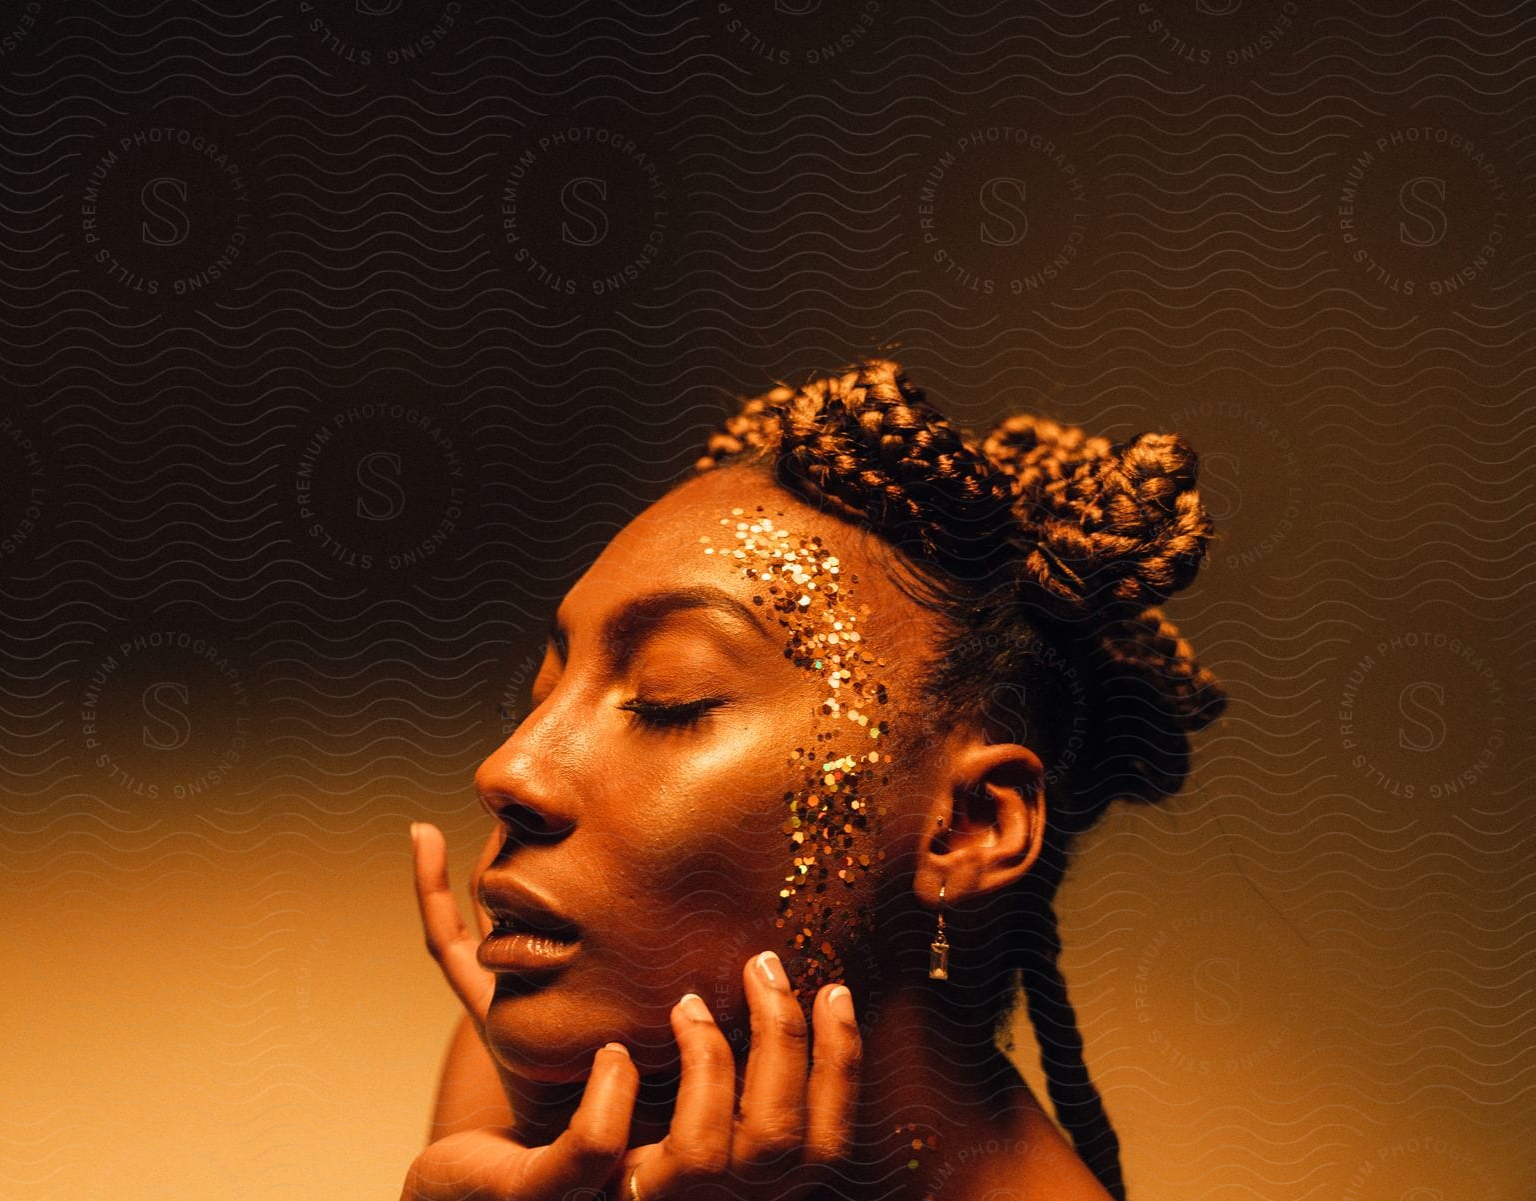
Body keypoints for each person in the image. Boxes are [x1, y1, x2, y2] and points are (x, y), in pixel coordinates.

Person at [402, 357, 1226, 1201]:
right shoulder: (557, 1107)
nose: (509, 771)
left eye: (667, 698)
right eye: (543, 694)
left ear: (969, 824)